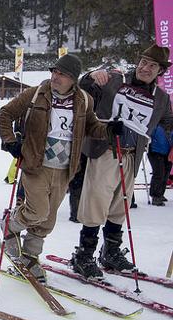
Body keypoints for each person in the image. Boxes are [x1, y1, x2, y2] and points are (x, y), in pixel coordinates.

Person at [0, 54, 112, 283]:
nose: (56, 77)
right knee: (37, 211)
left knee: (47, 220)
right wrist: (10, 142)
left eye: (62, 74)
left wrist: (109, 130)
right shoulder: (36, 94)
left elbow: (92, 126)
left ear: (73, 79)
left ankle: (30, 256)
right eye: (55, 72)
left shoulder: (84, 100)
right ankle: (10, 224)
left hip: (65, 169)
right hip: (36, 165)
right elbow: (5, 114)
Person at [71, 44, 173, 279]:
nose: (146, 68)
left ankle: (111, 251)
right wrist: (90, 76)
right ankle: (84, 254)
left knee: (120, 204)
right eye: (144, 62)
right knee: (97, 201)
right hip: (105, 149)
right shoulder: (116, 80)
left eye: (152, 65)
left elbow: (169, 122)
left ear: (160, 71)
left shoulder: (161, 98)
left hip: (131, 154)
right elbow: (83, 90)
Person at [147, 125, 173, 206]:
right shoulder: (156, 123)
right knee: (159, 173)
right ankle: (155, 195)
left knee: (166, 174)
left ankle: (160, 193)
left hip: (168, 152)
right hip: (155, 152)